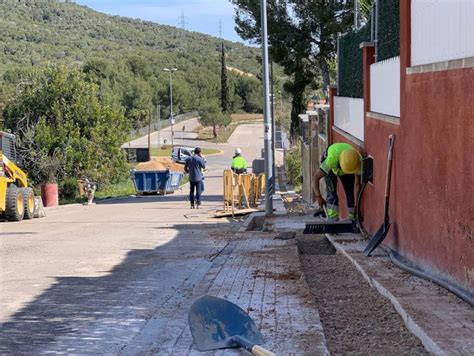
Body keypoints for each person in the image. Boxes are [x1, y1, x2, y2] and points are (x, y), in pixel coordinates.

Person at [313, 142, 362, 222]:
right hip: (332, 159)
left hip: (348, 163)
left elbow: (356, 185)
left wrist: (357, 205)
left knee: (350, 191)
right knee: (332, 192)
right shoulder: (330, 160)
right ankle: (332, 220)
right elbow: (315, 178)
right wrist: (319, 197)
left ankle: (352, 219)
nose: (345, 173)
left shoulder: (357, 160)